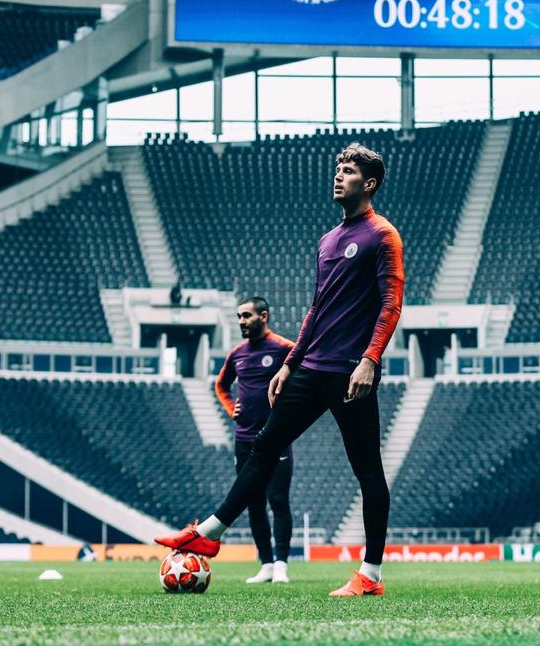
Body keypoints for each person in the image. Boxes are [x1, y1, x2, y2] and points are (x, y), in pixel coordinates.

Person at [157, 143, 403, 597]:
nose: (338, 176)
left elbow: (391, 303)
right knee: (264, 447)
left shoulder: (382, 235)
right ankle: (208, 533)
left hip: (351, 371)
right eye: (338, 169)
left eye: (348, 171)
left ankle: (370, 575)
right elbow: (315, 310)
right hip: (311, 367)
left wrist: (370, 359)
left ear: (368, 184)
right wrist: (290, 364)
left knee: (367, 471)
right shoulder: (328, 240)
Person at [215, 296, 295, 584]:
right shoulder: (237, 353)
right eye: (238, 316)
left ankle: (283, 564)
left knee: (278, 500)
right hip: (245, 439)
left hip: (276, 438)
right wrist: (230, 407)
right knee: (254, 503)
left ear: (264, 316)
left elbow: (304, 380)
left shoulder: (285, 349)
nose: (241, 322)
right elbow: (221, 385)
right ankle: (266, 564)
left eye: (246, 316)